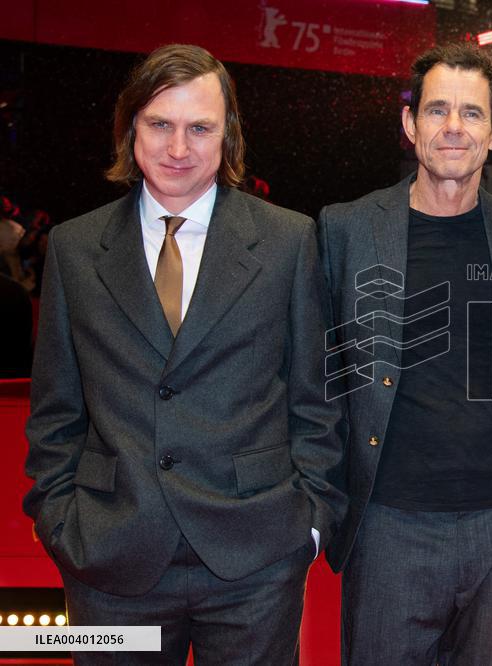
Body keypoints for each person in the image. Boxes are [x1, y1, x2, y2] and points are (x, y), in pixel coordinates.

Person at [23, 44, 343, 664]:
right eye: (160, 124)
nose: (178, 147)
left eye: (200, 128)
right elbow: (55, 410)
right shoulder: (73, 247)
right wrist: (60, 521)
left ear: (229, 137)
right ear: (130, 129)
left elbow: (315, 398)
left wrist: (309, 523)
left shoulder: (287, 240)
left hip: (256, 561)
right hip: (109, 562)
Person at [317, 43, 492, 665]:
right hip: (389, 522)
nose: (453, 128)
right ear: (409, 122)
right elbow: (315, 374)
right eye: (437, 110)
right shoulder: (344, 230)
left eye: (472, 114)